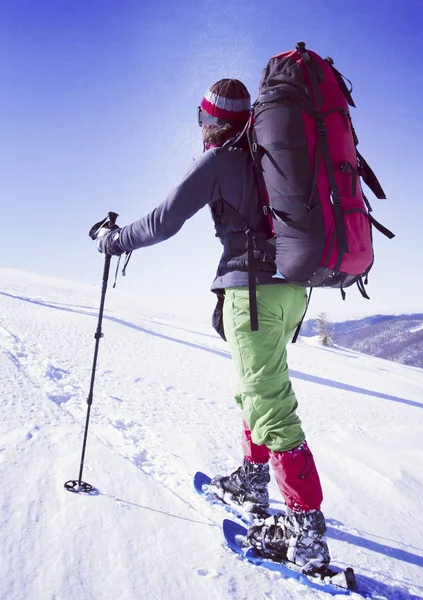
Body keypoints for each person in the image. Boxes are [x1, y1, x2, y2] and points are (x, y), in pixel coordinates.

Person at [95, 78, 330, 572]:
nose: (201, 130)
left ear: (211, 122)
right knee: (255, 389)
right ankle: (251, 477)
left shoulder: (220, 159)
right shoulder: (267, 156)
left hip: (255, 294)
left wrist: (115, 240)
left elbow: (162, 220)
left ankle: (305, 534)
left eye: (202, 121)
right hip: (291, 291)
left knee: (271, 407)